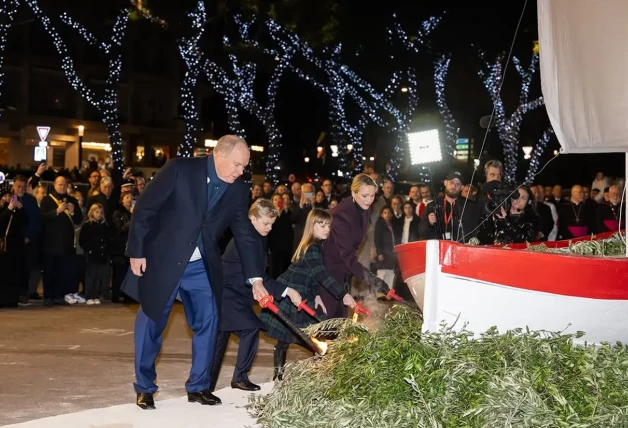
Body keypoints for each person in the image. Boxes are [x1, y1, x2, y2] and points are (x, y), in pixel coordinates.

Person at [122, 135, 270, 410]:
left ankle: (199, 386)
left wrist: (256, 278)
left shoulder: (238, 190)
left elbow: (244, 234)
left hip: (201, 264)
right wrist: (136, 251)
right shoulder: (179, 169)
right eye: (237, 165)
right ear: (219, 156)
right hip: (164, 259)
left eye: (244, 168)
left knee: (210, 321)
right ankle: (145, 388)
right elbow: (145, 207)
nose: (241, 172)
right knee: (151, 324)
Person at [209, 199, 301, 392]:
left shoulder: (257, 236)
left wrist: (287, 291)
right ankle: (235, 378)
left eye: (272, 224)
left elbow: (261, 276)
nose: (269, 228)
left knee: (221, 339)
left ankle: (207, 385)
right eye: (266, 223)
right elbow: (256, 276)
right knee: (248, 328)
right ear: (252, 218)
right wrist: (285, 290)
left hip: (237, 294)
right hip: (227, 292)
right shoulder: (246, 239)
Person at [260, 208, 353, 381]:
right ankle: (290, 376)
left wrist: (317, 295)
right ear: (312, 226)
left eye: (328, 225)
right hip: (293, 292)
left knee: (297, 333)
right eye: (321, 224)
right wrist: (343, 295)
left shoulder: (314, 246)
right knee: (304, 333)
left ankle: (285, 376)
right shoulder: (312, 248)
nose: (326, 229)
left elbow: (312, 275)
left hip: (301, 292)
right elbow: (323, 276)